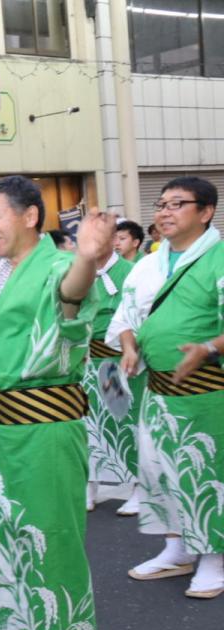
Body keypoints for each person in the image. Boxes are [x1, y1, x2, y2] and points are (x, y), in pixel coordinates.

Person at [0, 175, 113, 630]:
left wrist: (87, 257)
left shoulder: (55, 266)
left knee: (50, 538)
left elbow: (72, 296)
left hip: (45, 426)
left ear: (30, 216)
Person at [109, 176, 224, 598]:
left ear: (206, 212)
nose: (164, 212)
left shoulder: (219, 258)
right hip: (158, 389)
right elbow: (125, 316)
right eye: (161, 204)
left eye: (177, 204)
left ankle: (214, 558)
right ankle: (176, 548)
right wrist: (129, 346)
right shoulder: (149, 263)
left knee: (205, 472)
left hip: (208, 390)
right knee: (159, 469)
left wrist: (208, 347)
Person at [83, 233, 143, 514]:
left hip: (119, 357)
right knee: (88, 424)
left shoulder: (131, 271)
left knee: (125, 421)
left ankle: (138, 486)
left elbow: (136, 314)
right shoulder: (79, 271)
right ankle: (89, 484)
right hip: (85, 359)